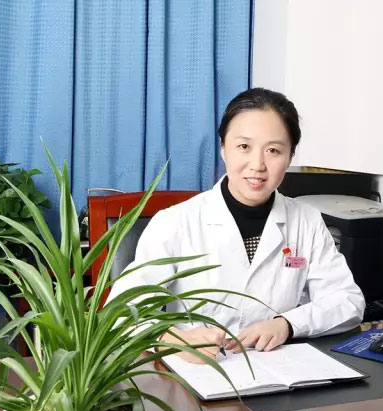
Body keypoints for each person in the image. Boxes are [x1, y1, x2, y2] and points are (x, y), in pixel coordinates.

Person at [108, 88, 365, 363]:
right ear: (223, 148)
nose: (258, 165)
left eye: (273, 150)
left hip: (277, 368)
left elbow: (347, 301)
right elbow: (120, 313)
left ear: (290, 157)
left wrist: (287, 324)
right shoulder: (174, 223)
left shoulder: (307, 220)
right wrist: (171, 340)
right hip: (196, 370)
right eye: (244, 147)